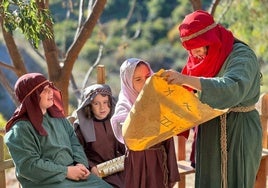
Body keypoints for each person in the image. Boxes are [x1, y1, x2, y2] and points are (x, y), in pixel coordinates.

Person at [161, 10, 262, 188]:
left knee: (237, 181)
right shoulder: (203, 57)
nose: (196, 55)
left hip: (240, 130)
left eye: (198, 48)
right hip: (210, 131)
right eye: (191, 51)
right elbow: (185, 91)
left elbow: (231, 87)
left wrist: (185, 79)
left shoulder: (241, 56)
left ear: (211, 39)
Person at [4, 73, 112, 188]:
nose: (50, 91)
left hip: (75, 175)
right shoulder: (20, 129)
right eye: (44, 90)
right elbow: (29, 166)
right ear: (32, 96)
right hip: (46, 183)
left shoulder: (58, 119)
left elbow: (74, 143)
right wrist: (66, 171)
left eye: (49, 87)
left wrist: (80, 164)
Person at [110, 58, 180, 188]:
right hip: (137, 164)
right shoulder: (124, 106)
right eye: (138, 79)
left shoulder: (158, 101)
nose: (145, 82)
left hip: (159, 163)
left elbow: (168, 140)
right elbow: (123, 128)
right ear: (128, 83)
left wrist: (172, 173)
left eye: (147, 76)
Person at [73, 84, 125, 188]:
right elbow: (78, 153)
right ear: (89, 105)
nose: (102, 107)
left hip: (117, 167)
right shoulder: (81, 127)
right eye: (96, 103)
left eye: (105, 102)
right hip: (96, 171)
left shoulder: (114, 122)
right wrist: (91, 167)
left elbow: (122, 146)